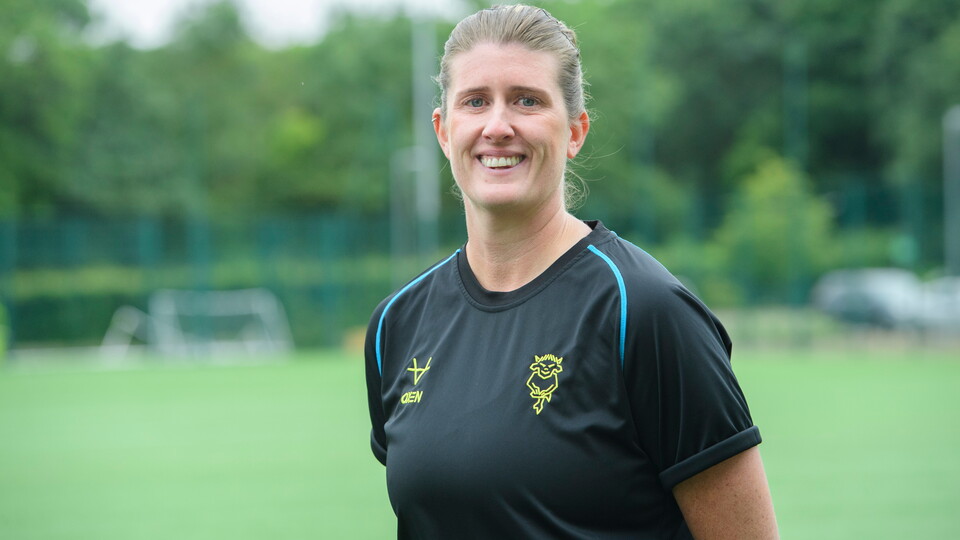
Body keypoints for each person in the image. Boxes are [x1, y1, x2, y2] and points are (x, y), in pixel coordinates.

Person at [364, 4, 779, 538]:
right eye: (475, 102)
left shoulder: (644, 311)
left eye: (527, 101)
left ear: (576, 130)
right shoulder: (396, 325)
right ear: (444, 131)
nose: (498, 126)